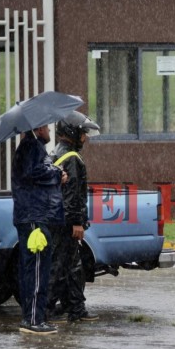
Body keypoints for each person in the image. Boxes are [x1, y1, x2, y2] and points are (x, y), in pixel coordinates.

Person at [46, 111, 100, 323]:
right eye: (82, 133)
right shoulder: (72, 158)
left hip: (56, 219)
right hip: (66, 223)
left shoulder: (55, 154)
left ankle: (76, 309)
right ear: (72, 132)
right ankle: (46, 310)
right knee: (59, 267)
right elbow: (73, 195)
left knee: (72, 266)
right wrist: (77, 222)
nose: (85, 138)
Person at [12, 125, 67, 335]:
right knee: (37, 268)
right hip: (34, 217)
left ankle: (31, 316)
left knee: (33, 268)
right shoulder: (31, 147)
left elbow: (35, 174)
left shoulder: (31, 147)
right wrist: (56, 173)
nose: (50, 132)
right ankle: (34, 319)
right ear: (38, 128)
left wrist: (53, 172)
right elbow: (34, 172)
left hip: (32, 216)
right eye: (46, 127)